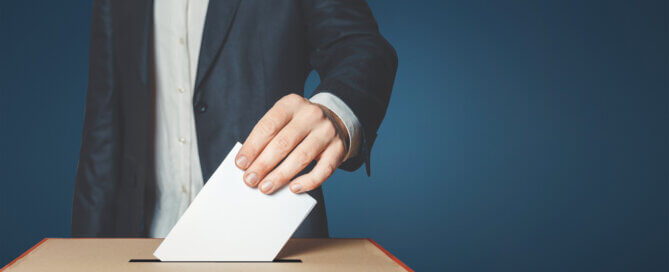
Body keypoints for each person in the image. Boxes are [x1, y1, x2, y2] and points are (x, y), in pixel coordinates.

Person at [72, 0, 397, 238]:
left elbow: (360, 46)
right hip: (144, 241)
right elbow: (104, 132)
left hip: (271, 241)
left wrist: (336, 112)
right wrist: (83, 256)